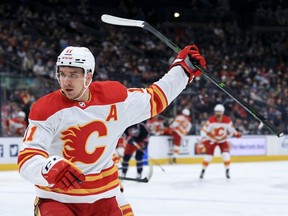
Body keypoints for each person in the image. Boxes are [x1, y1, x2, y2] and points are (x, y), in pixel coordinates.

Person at [17, 44, 206, 215]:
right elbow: (28, 157)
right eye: (62, 74)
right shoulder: (46, 109)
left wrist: (183, 70)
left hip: (105, 199)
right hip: (58, 200)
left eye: (74, 74)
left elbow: (154, 99)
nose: (66, 81)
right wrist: (46, 167)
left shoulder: (114, 98)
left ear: (88, 76)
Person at [199, 104, 241, 179]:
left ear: (223, 112)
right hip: (212, 140)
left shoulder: (227, 120)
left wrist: (236, 133)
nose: (218, 113)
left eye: (219, 112)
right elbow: (204, 130)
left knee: (226, 155)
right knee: (208, 157)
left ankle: (227, 170)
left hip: (222, 140)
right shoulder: (211, 120)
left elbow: (231, 129)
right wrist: (203, 139)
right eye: (217, 112)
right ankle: (203, 171)